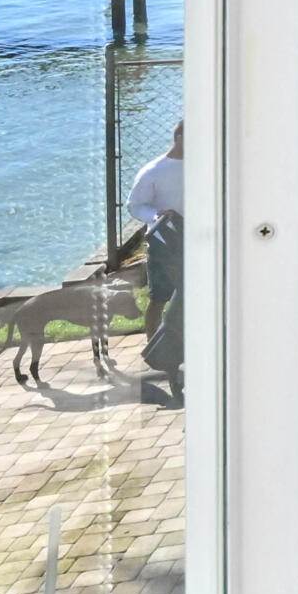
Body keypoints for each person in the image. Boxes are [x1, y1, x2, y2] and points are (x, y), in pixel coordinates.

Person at [127, 121, 184, 398]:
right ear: (180, 137)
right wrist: (156, 215)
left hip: (195, 241)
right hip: (164, 244)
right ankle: (154, 349)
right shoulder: (153, 171)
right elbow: (135, 205)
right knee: (160, 297)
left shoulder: (208, 163)